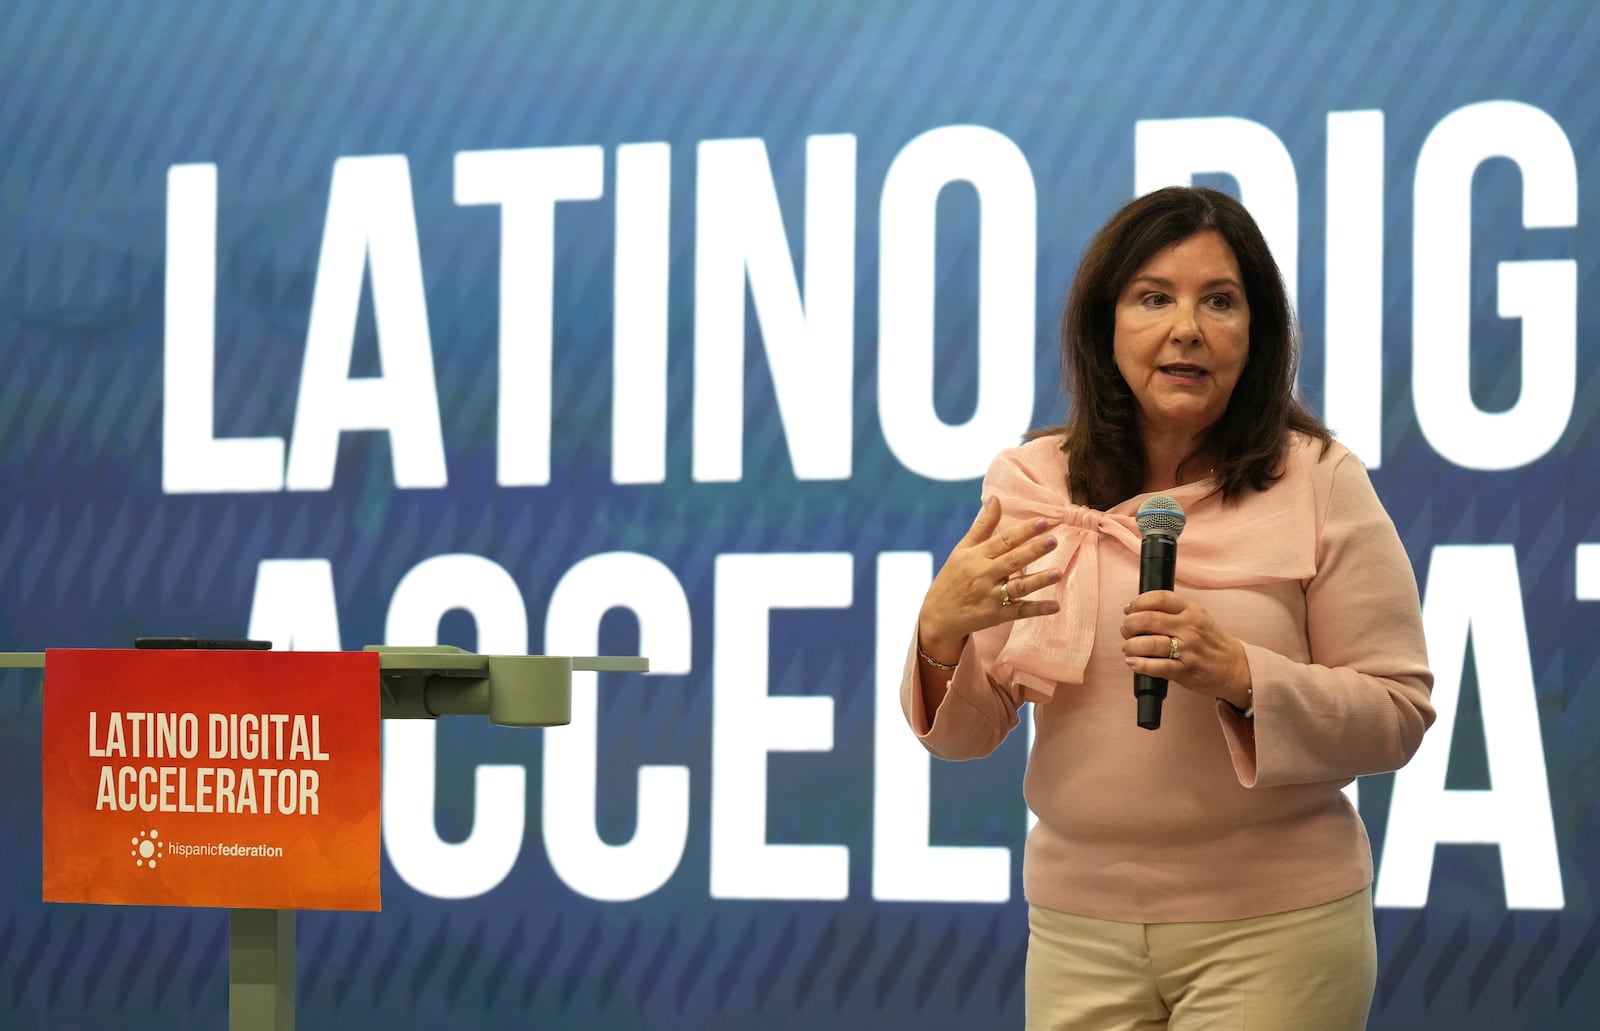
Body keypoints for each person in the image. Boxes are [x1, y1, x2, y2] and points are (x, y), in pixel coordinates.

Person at [902, 186, 1434, 1030]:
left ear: (1254, 334)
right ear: (1105, 325)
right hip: (1078, 931)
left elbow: (1397, 712)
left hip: (1274, 933)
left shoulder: (1320, 480)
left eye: (1218, 300)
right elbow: (969, 734)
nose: (1186, 327)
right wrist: (939, 634)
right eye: (1154, 297)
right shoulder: (1036, 486)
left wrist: (1242, 675)